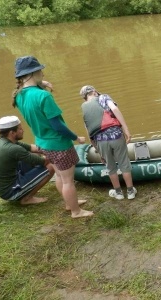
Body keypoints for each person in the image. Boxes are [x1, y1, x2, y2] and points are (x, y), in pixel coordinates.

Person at [12, 55, 94, 219]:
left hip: (42, 142)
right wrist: (76, 137)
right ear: (33, 72)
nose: (42, 73)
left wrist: (43, 83)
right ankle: (76, 211)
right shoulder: (44, 97)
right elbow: (57, 126)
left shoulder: (19, 95)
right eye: (40, 70)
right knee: (68, 181)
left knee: (59, 175)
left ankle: (68, 203)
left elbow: (29, 87)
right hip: (58, 144)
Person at [80, 85, 137, 200]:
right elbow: (115, 110)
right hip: (116, 136)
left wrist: (98, 149)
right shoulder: (104, 97)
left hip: (101, 141)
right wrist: (125, 128)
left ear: (85, 98)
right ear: (94, 91)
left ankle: (118, 193)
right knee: (124, 163)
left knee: (110, 167)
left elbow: (88, 130)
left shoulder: (85, 108)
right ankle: (130, 191)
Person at [0, 116, 55, 205]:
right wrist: (57, 151)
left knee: (34, 155)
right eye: (20, 129)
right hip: (10, 191)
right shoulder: (12, 148)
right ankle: (27, 198)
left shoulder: (0, 141)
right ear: (12, 133)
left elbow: (31, 148)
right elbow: (45, 161)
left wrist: (48, 148)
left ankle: (29, 187)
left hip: (7, 181)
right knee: (51, 166)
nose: (23, 130)